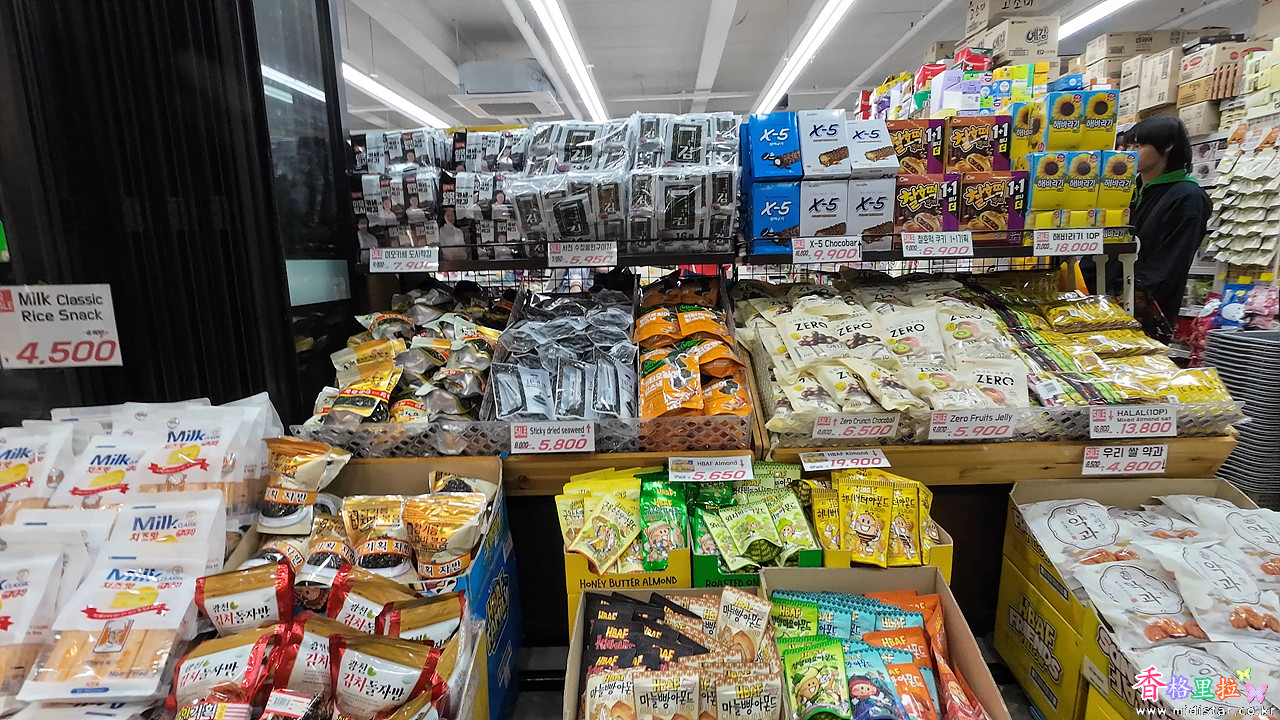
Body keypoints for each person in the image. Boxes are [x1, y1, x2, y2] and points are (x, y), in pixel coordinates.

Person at [1108, 116, 1212, 333]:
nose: (1130, 153)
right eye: (1128, 147)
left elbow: (1169, 265)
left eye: (1139, 146)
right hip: (1104, 304)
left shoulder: (1187, 197)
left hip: (1146, 314)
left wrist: (1126, 303)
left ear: (1167, 147)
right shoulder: (1127, 191)